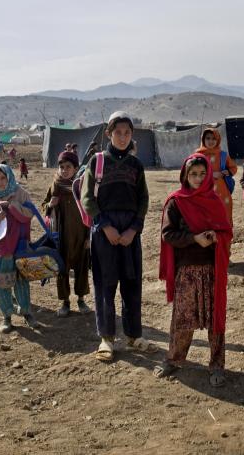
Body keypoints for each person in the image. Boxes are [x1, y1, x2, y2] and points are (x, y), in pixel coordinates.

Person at [155, 154, 232, 387]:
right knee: (182, 318)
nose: (198, 179)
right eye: (193, 174)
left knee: (215, 319)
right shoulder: (176, 202)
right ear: (185, 175)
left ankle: (217, 364)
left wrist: (215, 237)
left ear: (208, 174)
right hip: (186, 271)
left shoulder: (214, 200)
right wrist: (193, 238)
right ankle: (174, 359)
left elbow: (226, 232)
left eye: (202, 174)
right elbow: (168, 234)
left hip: (211, 271)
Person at [81, 111, 151, 361]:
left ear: (132, 135)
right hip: (105, 231)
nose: (123, 137)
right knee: (105, 285)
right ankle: (107, 339)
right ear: (109, 134)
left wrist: (134, 229)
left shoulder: (136, 165)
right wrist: (105, 225)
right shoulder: (97, 162)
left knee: (132, 285)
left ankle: (133, 336)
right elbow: (87, 198)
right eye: (118, 132)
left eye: (127, 133)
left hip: (131, 232)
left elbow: (143, 199)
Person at [0, 163, 37, 332]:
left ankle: (27, 313)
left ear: (9, 177)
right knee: (2, 282)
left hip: (20, 245)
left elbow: (30, 213)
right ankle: (6, 317)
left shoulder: (20, 193)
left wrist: (12, 207)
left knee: (21, 280)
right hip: (1, 247)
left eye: (3, 178)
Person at [41, 150, 91, 318]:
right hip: (61, 235)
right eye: (61, 167)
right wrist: (50, 204)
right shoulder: (56, 184)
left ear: (76, 168)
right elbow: (44, 205)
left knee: (82, 267)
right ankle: (65, 302)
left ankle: (81, 299)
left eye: (68, 167)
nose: (64, 170)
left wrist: (89, 236)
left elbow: (91, 211)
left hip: (80, 234)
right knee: (62, 268)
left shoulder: (82, 185)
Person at [196, 127, 237, 221]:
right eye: (208, 138)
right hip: (204, 192)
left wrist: (228, 172)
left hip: (222, 192)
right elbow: (193, 173)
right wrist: (211, 174)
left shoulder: (223, 155)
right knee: (206, 217)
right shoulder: (198, 156)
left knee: (223, 216)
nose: (211, 141)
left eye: (214, 138)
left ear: (218, 140)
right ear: (203, 139)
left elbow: (233, 167)